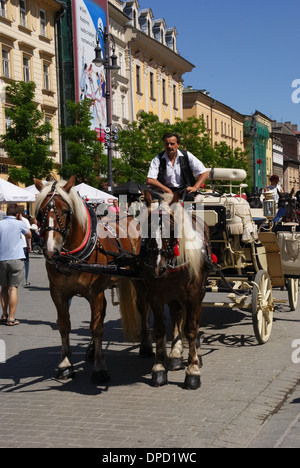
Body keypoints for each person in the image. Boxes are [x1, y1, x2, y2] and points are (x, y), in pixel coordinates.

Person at [147, 133, 210, 201]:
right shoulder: (158, 159)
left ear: (178, 145)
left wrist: (195, 187)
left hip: (184, 189)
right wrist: (166, 189)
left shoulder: (186, 155)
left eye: (172, 144)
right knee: (151, 196)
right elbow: (150, 180)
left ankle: (187, 211)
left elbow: (204, 173)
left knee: (189, 198)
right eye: (166, 144)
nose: (169, 146)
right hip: (164, 190)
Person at [0, 204, 31, 326]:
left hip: (1, 259)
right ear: (18, 214)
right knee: (13, 289)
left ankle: (4, 314)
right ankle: (11, 318)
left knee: (3, 288)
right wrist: (21, 221)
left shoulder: (0, 223)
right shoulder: (20, 224)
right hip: (16, 259)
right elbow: (29, 235)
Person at [19, 206, 31, 286]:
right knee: (26, 263)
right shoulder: (25, 220)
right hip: (23, 245)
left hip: (17, 245)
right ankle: (25, 280)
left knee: (18, 263)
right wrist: (29, 244)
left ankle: (19, 280)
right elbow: (29, 234)